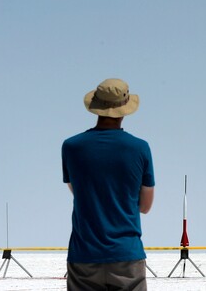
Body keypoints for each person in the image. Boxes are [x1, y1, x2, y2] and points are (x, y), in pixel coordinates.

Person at [62, 78, 155, 291]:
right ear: (124, 109)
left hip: (84, 253)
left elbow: (76, 191)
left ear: (96, 107)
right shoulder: (140, 148)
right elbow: (145, 207)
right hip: (126, 254)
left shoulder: (71, 147)